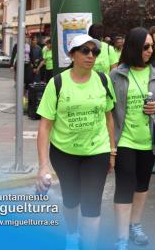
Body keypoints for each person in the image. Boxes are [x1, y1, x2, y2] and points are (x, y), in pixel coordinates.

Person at [35, 34, 116, 250]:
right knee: (71, 200)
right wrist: (43, 166)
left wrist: (112, 151)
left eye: (95, 51)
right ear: (72, 55)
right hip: (64, 152)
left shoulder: (103, 80)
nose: (91, 55)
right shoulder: (57, 83)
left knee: (91, 204)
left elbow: (109, 117)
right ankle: (71, 234)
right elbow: (44, 126)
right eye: (85, 51)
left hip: (96, 151)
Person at [109, 27, 155, 250]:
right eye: (145, 46)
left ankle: (135, 224)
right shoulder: (116, 74)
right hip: (124, 139)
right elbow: (108, 108)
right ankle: (122, 238)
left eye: (151, 46)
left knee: (142, 185)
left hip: (150, 140)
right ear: (134, 47)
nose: (150, 50)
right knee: (124, 186)